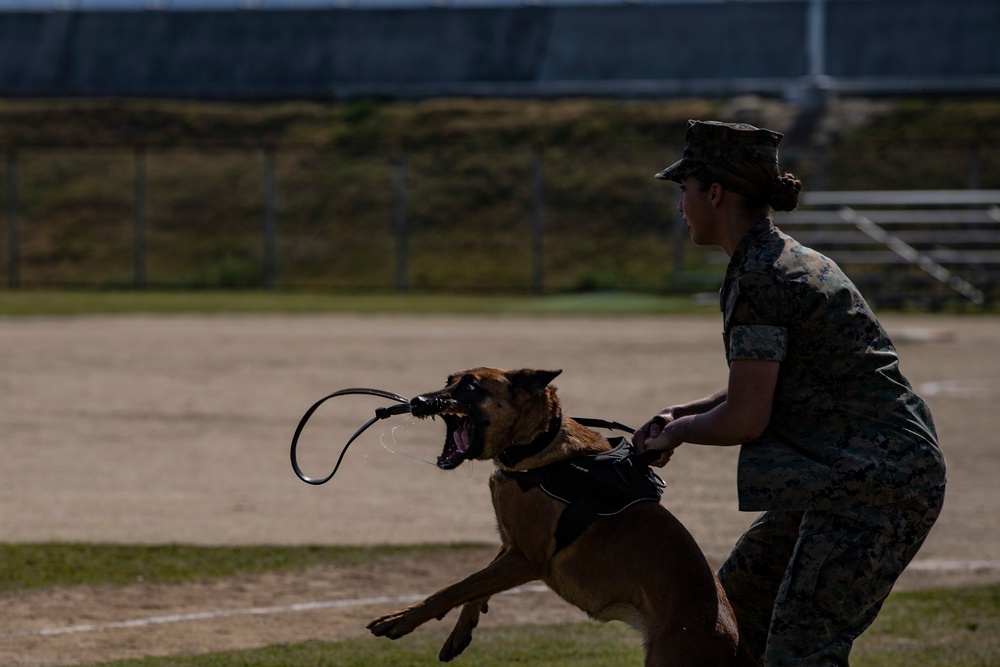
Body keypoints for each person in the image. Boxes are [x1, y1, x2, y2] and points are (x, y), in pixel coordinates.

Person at [633, 120, 947, 666]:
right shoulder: (776, 260)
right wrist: (685, 411)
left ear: (714, 192)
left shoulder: (763, 275)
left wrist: (678, 435)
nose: (681, 207)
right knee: (732, 620)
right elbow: (763, 384)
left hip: (874, 485)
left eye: (684, 191)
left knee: (800, 653)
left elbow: (746, 419)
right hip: (838, 475)